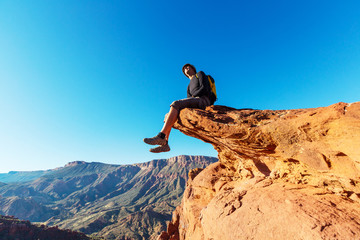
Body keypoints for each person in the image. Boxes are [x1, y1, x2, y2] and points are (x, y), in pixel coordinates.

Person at [143, 63, 215, 153]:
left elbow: (205, 88)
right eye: (184, 68)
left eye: (188, 67)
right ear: (185, 73)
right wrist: (192, 97)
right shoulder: (189, 86)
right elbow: (189, 98)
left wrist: (194, 95)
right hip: (196, 101)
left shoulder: (199, 74)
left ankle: (161, 136)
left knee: (175, 103)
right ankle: (165, 144)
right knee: (169, 115)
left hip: (203, 100)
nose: (186, 68)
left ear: (193, 68)